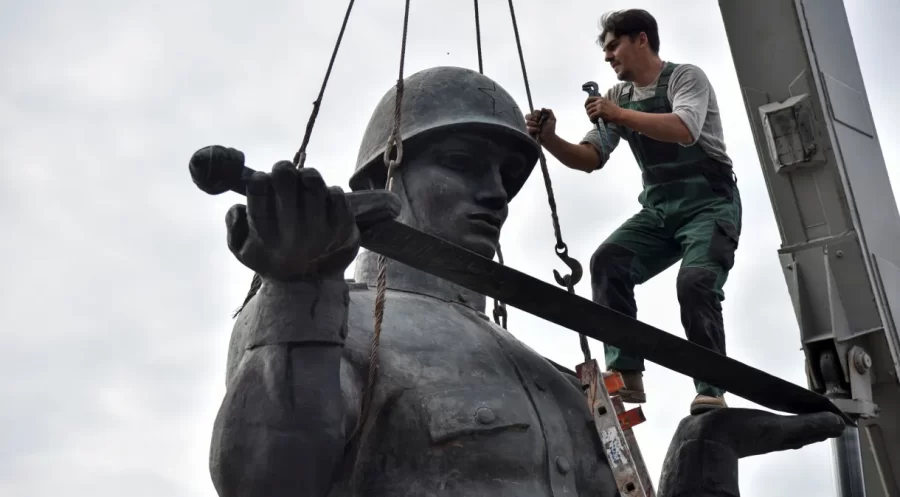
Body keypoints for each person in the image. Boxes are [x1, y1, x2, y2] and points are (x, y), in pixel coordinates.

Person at [193, 65, 844, 497]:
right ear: (376, 180)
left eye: (507, 176)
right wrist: (299, 290)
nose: (495, 194)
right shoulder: (320, 318)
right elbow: (265, 477)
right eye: (461, 163)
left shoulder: (563, 384)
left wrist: (701, 459)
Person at [526, 9, 740, 414]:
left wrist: (617, 115)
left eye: (613, 46)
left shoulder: (684, 78)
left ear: (641, 39)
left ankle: (712, 387)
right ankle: (626, 373)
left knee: (696, 283)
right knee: (608, 262)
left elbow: (685, 128)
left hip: (710, 207)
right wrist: (550, 137)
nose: (607, 57)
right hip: (660, 212)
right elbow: (589, 158)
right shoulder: (618, 99)